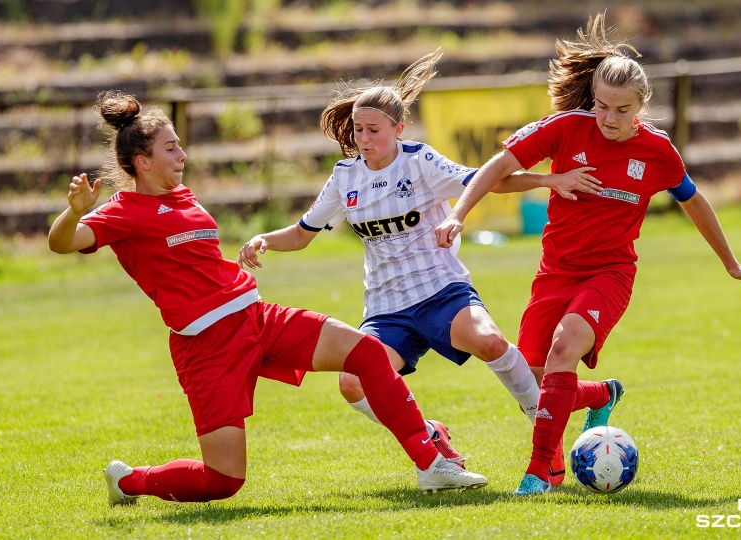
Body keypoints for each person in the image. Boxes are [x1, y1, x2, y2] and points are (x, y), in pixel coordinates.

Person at [48, 91, 488, 506]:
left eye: (180, 145)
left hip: (256, 318)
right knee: (223, 481)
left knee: (368, 353)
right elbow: (61, 244)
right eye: (171, 149)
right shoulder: (122, 210)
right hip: (206, 347)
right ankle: (128, 480)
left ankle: (432, 464)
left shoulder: (182, 196)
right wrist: (74, 211)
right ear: (142, 162)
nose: (182, 155)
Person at [435, 13, 741, 496]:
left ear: (642, 106)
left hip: (610, 274)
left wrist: (730, 262)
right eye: (602, 106)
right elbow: (498, 167)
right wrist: (459, 215)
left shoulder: (658, 152)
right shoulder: (566, 128)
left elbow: (694, 201)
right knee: (532, 382)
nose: (609, 119)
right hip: (555, 272)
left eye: (622, 110)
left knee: (564, 346)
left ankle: (539, 473)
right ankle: (601, 394)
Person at [237, 50, 598, 482]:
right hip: (387, 308)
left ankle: (542, 424)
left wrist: (548, 180)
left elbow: (488, 178)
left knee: (488, 340)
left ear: (397, 129)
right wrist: (263, 240)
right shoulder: (344, 177)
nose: (364, 138)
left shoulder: (419, 161)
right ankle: (429, 437)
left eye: (373, 130)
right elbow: (302, 232)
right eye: (358, 130)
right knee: (352, 383)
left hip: (442, 290)